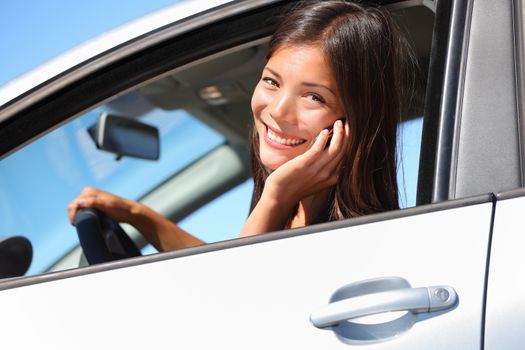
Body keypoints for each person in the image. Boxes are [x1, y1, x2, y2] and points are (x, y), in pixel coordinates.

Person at [68, 0, 412, 252]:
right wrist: (136, 214)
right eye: (272, 82)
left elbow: (229, 290)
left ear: (356, 118)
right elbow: (221, 262)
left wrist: (276, 197)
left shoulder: (354, 239)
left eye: (314, 97)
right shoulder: (296, 210)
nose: (277, 110)